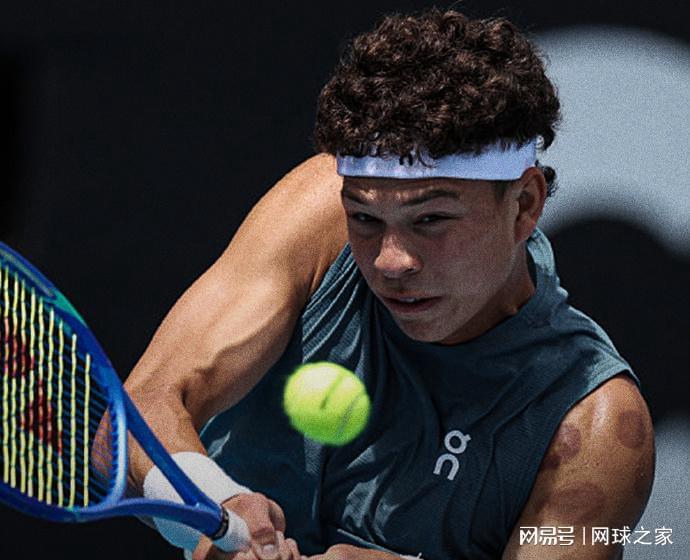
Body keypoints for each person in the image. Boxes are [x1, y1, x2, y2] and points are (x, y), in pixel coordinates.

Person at [124, 8, 654, 560]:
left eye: (431, 219)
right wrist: (214, 506)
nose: (390, 261)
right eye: (365, 218)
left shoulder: (595, 428)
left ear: (524, 204)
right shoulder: (316, 216)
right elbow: (134, 419)